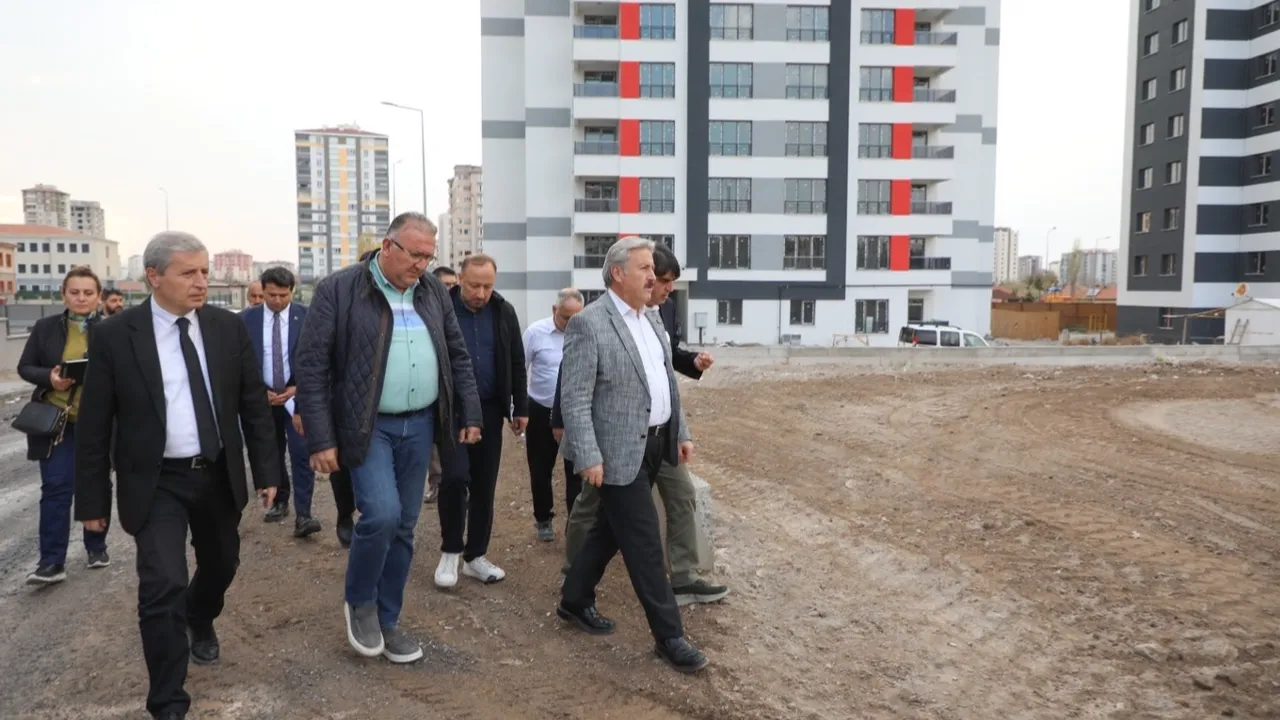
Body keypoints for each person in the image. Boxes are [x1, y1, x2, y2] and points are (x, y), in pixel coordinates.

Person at [74, 231, 279, 720]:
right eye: (188, 272)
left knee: (222, 564)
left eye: (204, 271)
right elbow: (95, 425)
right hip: (156, 482)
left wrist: (268, 471)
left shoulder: (227, 329)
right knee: (162, 583)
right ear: (154, 276)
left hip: (217, 474)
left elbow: (253, 403)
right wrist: (93, 503)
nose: (201, 282)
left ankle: (199, 615)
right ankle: (167, 702)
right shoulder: (115, 336)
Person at [295, 212, 481, 664]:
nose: (421, 264)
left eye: (428, 256)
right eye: (415, 254)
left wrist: (469, 412)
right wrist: (320, 438)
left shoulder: (432, 291)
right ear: (387, 246)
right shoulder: (339, 290)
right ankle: (360, 601)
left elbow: (456, 354)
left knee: (405, 525)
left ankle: (388, 618)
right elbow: (312, 366)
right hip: (368, 425)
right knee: (381, 513)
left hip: (420, 425)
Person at [556, 236, 708, 674]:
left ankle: (573, 599)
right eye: (645, 269)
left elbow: (665, 382)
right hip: (615, 453)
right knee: (644, 544)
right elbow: (575, 397)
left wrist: (680, 432)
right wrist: (588, 455)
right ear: (618, 273)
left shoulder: (652, 317)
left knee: (608, 531)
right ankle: (669, 636)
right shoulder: (589, 323)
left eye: (653, 269)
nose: (653, 277)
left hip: (656, 444)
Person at [433, 254, 527, 588]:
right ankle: (450, 551)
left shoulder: (503, 311)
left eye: (488, 286)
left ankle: (475, 556)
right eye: (474, 285)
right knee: (455, 477)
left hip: (490, 409)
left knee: (485, 485)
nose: (481, 293)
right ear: (460, 279)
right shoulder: (440, 309)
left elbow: (516, 361)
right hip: (451, 410)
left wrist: (520, 407)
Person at [17, 266, 110, 585]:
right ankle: (51, 563)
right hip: (58, 423)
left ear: (98, 296)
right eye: (74, 292)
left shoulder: (112, 330)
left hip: (98, 422)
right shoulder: (45, 328)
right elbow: (25, 366)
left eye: (88, 292)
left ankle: (96, 547)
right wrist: (50, 378)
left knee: (96, 484)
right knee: (56, 486)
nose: (81, 298)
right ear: (64, 295)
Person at [240, 267, 319, 536]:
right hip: (263, 399)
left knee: (301, 453)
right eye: (271, 295)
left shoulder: (307, 317)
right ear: (262, 291)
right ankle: (280, 500)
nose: (277, 300)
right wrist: (258, 391)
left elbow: (317, 359)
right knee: (272, 452)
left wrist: (298, 389)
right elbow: (240, 362)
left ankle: (304, 514)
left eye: (283, 295)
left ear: (292, 292)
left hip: (296, 398)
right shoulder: (246, 320)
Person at [522, 288, 583, 542]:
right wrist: (517, 408)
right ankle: (543, 519)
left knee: (576, 470)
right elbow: (520, 368)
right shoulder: (535, 333)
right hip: (540, 410)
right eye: (566, 317)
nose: (571, 323)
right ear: (554, 310)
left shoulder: (585, 334)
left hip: (575, 413)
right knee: (540, 468)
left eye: (576, 318)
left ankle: (575, 523)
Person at [424, 264, 458, 504]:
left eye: (453, 285)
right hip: (431, 389)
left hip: (455, 389)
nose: (450, 289)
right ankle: (436, 482)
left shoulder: (460, 312)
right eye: (445, 285)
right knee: (432, 442)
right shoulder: (426, 310)